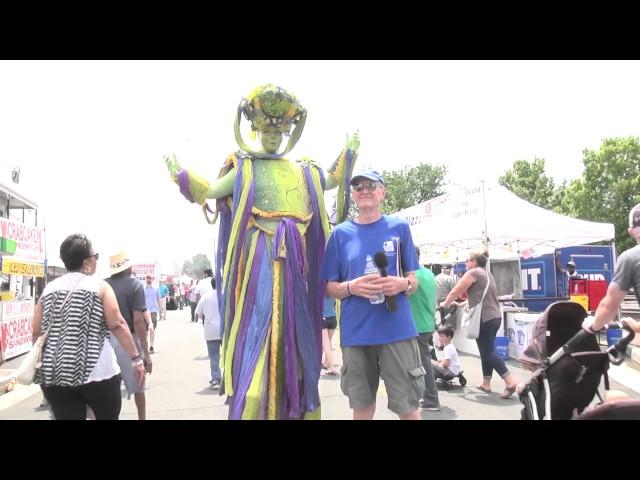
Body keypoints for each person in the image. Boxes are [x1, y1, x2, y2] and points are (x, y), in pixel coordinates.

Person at [166, 84, 359, 420]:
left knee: (295, 334)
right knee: (257, 325)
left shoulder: (303, 169)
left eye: (279, 131)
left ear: (288, 133)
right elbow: (211, 190)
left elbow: (330, 179)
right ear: (254, 130)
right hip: (260, 259)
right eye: (267, 130)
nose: (273, 137)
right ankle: (254, 400)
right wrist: (182, 177)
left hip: (296, 263)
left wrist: (348, 152)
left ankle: (296, 404)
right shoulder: (244, 167)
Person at [321, 170, 424, 421]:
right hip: (357, 333)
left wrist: (403, 284)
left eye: (370, 185)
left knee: (407, 407)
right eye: (358, 187)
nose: (364, 190)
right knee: (362, 407)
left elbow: (414, 278)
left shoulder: (399, 228)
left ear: (382, 192)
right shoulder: (340, 235)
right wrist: (350, 287)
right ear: (353, 196)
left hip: (397, 330)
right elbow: (328, 286)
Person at [33, 234, 145, 420]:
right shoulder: (99, 287)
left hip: (55, 376)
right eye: (95, 257)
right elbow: (117, 324)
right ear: (86, 262)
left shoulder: (48, 290)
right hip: (97, 373)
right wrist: (136, 359)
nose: (96, 261)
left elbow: (36, 331)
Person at [441, 250, 519, 399]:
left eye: (467, 260)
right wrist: (461, 304)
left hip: (484, 318)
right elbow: (482, 296)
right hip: (495, 317)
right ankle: (486, 383)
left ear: (474, 262)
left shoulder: (473, 273)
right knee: (486, 351)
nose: (465, 263)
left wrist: (446, 303)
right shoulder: (487, 274)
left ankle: (510, 381)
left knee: (488, 351)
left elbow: (457, 290)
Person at [105, 251, 153, 420]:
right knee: (139, 384)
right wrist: (145, 353)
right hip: (128, 339)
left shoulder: (103, 285)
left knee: (109, 387)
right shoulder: (135, 285)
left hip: (105, 341)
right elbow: (138, 321)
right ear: (128, 267)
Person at [582, 203, 640, 335]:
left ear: (630, 232)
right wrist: (636, 327)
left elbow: (609, 307)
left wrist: (594, 325)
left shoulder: (630, 258)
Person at [408, 246, 441, 411]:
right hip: (426, 323)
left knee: (423, 363)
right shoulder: (428, 274)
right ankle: (426, 397)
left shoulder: (412, 276)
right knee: (421, 362)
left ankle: (431, 399)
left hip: (417, 324)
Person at [196, 277, 222, 389]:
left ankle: (216, 379)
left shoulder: (205, 297)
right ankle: (230, 379)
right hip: (223, 330)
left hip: (210, 330)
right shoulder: (225, 296)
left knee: (214, 356)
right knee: (227, 356)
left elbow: (199, 313)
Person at [321, 296, 338, 376]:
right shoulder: (332, 293)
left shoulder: (319, 292)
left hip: (323, 318)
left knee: (325, 344)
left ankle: (332, 367)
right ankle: (326, 363)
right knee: (327, 342)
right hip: (333, 319)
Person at [144, 275, 160, 353]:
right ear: (145, 279)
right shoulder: (143, 289)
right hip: (145, 312)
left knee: (152, 329)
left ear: (152, 279)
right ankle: (146, 346)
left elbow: (158, 299)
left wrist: (160, 310)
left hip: (153, 311)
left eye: (150, 278)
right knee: (146, 330)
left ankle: (151, 346)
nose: (149, 279)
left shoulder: (156, 288)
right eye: (147, 278)